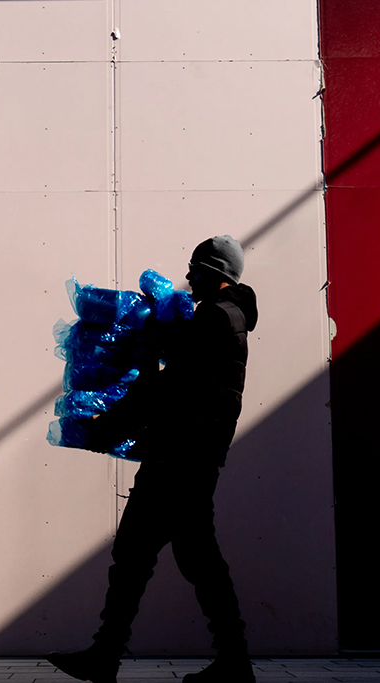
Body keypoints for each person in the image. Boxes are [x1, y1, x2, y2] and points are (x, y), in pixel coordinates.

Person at [47, 236, 259, 683]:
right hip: (192, 456)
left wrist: (108, 424)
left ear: (213, 271)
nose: (188, 277)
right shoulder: (227, 318)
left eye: (194, 269)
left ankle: (108, 656)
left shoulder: (216, 318)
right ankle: (231, 660)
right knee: (188, 558)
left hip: (179, 458)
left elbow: (169, 390)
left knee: (138, 554)